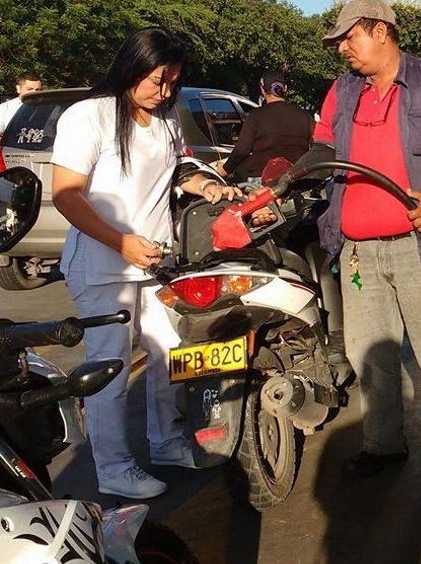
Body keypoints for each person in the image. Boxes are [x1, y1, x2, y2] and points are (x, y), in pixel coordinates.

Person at [288, 0, 421, 492]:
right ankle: (384, 446)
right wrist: (285, 180)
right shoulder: (341, 93)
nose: (342, 50)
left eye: (349, 38)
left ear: (380, 31)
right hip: (359, 251)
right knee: (369, 353)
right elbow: (322, 150)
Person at [50, 27, 242, 499]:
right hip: (103, 266)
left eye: (174, 81)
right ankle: (113, 466)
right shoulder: (88, 116)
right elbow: (65, 194)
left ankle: (168, 442)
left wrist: (205, 187)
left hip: (156, 262)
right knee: (110, 368)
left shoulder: (167, 117)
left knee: (168, 357)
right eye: (159, 80)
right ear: (132, 67)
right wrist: (120, 242)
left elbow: (173, 173)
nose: (166, 91)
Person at [218, 68, 314, 183]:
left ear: (262, 90)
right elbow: (317, 147)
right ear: (286, 89)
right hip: (297, 178)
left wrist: (225, 169)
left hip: (261, 179)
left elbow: (242, 150)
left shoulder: (255, 116)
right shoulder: (305, 116)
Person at [0, 72, 43, 147]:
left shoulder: (51, 107)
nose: (34, 92)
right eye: (29, 89)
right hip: (14, 152)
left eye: (37, 89)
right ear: (18, 88)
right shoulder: (5, 108)